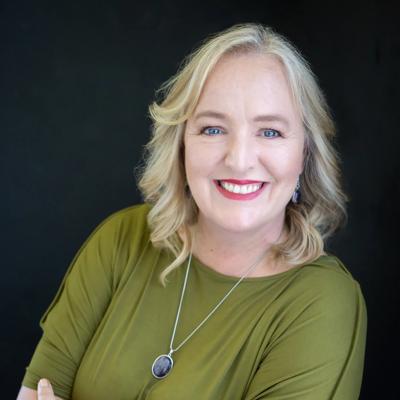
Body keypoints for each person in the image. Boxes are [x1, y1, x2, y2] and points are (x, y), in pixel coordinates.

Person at [17, 23, 367, 400]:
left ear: (305, 155)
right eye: (213, 129)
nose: (240, 160)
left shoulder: (321, 303)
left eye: (270, 132)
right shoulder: (120, 241)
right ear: (181, 144)